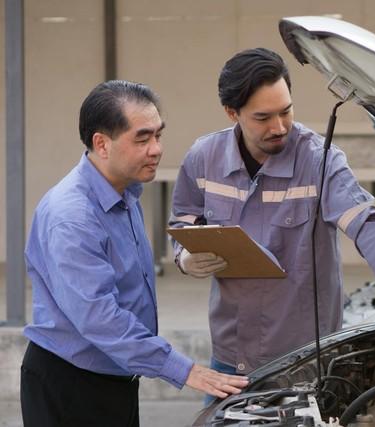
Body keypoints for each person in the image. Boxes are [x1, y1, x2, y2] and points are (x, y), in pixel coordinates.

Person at [170, 48, 375, 380]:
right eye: (263, 118)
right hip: (230, 355)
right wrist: (184, 258)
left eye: (286, 112)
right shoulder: (203, 159)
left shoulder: (320, 161)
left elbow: (370, 229)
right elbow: (183, 220)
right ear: (231, 113)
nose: (279, 127)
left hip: (306, 359)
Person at [20, 80, 248, 427]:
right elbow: (100, 317)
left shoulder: (125, 193)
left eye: (158, 135)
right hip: (71, 383)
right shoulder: (72, 217)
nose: (156, 149)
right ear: (102, 143)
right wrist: (183, 370)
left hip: (115, 375)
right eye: (142, 138)